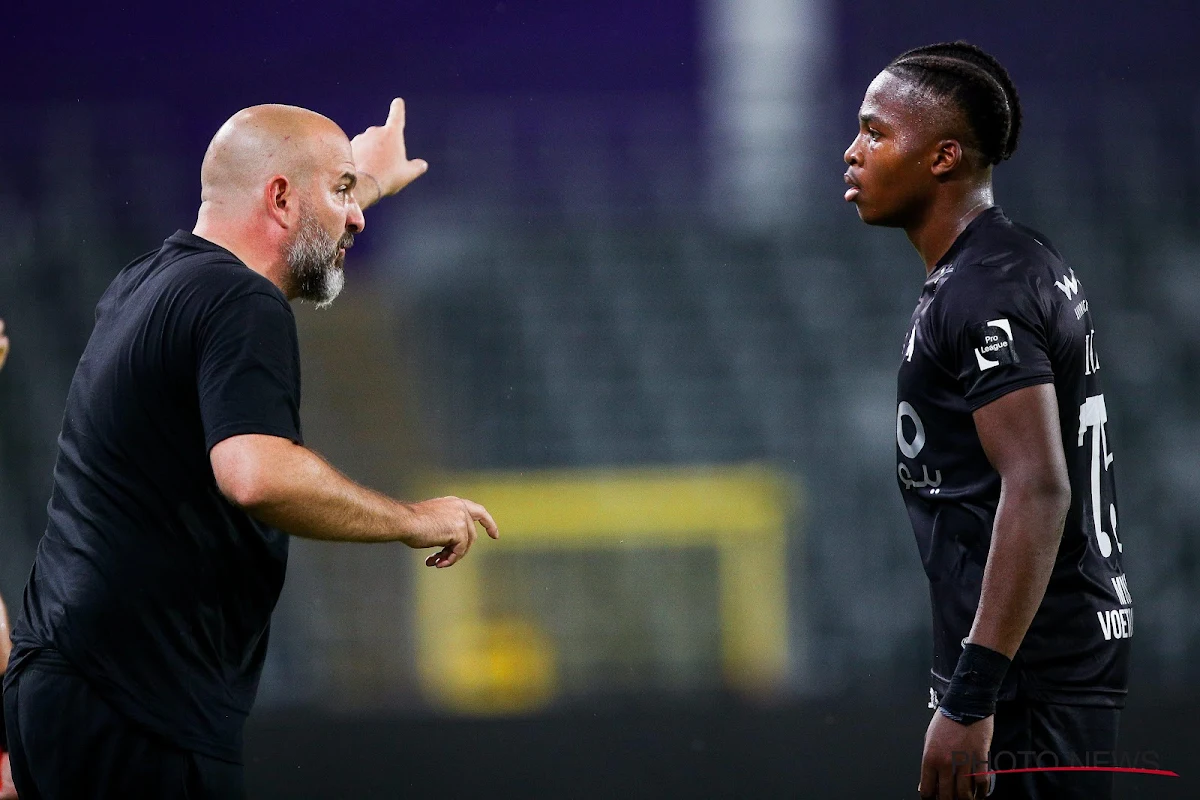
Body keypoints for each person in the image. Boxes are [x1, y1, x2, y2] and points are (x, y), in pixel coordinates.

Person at [2, 99, 499, 799]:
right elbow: (256, 474)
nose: (355, 216)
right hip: (138, 710)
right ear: (280, 198)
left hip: (67, 694)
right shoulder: (241, 302)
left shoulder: (144, 283)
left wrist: (365, 184)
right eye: (342, 192)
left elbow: (301, 226)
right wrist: (413, 520)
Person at [843, 42, 1130, 799]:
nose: (852, 152)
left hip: (1029, 683)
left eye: (875, 132)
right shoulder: (1008, 262)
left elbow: (1037, 487)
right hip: (1040, 671)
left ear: (942, 157)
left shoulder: (984, 287)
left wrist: (971, 697)